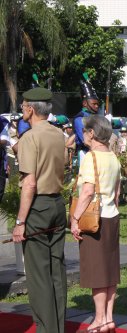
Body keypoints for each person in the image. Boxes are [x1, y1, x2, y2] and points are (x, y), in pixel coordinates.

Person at [12, 87, 67, 333]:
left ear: (31, 109)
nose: (22, 110)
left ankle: (47, 329)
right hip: (57, 202)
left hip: (38, 206)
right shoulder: (58, 134)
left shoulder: (30, 137)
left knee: (38, 275)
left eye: (23, 106)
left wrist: (20, 221)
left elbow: (30, 183)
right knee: (56, 270)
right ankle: (58, 327)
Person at [70, 115, 121, 333]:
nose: (82, 134)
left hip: (94, 219)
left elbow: (88, 191)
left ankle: (99, 319)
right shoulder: (113, 156)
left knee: (97, 273)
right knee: (109, 271)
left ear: (92, 133)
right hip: (112, 215)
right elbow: (117, 192)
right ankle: (109, 318)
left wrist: (75, 218)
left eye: (84, 130)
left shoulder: (91, 158)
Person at [74, 78, 100, 165]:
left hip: (98, 150)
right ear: (85, 103)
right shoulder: (79, 118)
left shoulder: (97, 117)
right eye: (94, 104)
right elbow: (85, 140)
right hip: (85, 153)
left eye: (97, 104)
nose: (96, 106)